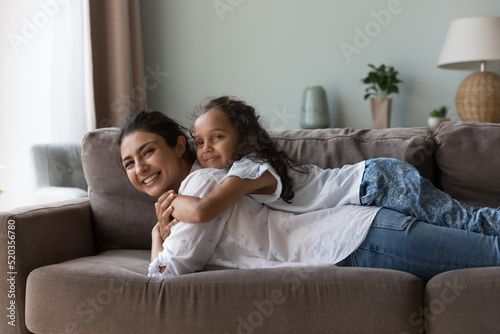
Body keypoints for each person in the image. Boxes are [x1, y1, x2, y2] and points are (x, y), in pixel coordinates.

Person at [118, 109, 500, 282]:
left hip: (361, 239)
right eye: (128, 163)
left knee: (489, 250)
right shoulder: (223, 175)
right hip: (367, 229)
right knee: (485, 243)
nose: (140, 168)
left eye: (147, 152)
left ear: (179, 147)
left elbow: (165, 279)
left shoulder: (202, 186)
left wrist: (157, 235)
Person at [162, 96, 500, 237]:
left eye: (217, 137)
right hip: (375, 181)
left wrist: (170, 200)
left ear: (245, 137)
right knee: (461, 224)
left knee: (468, 222)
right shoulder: (243, 169)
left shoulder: (249, 169)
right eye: (199, 140)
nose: (205, 149)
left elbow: (205, 210)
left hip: (377, 182)